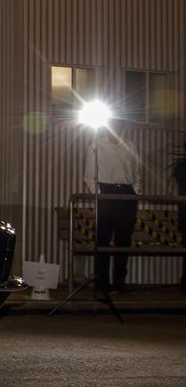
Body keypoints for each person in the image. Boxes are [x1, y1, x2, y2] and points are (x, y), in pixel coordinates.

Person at [84, 123, 141, 292]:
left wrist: (135, 193)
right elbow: (89, 176)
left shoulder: (130, 145)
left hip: (127, 191)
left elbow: (136, 173)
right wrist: (99, 194)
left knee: (124, 238)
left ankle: (119, 280)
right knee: (103, 238)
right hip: (106, 191)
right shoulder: (96, 145)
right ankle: (102, 281)